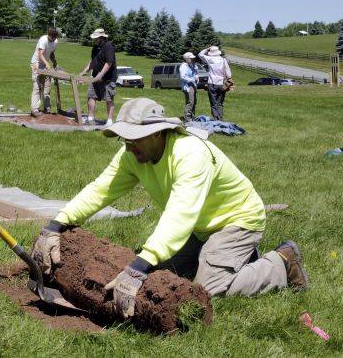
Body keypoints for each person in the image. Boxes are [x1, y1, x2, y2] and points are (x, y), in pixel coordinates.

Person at [32, 98, 308, 319]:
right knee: (160, 274)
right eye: (124, 139)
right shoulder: (132, 154)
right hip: (198, 226)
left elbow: (180, 213)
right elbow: (101, 189)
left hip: (236, 221)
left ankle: (281, 264)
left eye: (135, 138)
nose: (128, 146)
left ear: (159, 133)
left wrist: (140, 265)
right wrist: (56, 224)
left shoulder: (191, 155)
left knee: (208, 289)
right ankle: (236, 260)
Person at [80, 28, 117, 125]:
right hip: (95, 77)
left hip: (108, 78)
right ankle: (91, 118)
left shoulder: (108, 46)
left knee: (109, 98)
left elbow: (109, 62)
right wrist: (84, 71)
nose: (95, 40)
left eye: (96, 38)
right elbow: (93, 61)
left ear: (101, 38)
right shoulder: (95, 48)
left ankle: (109, 121)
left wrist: (101, 74)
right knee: (91, 95)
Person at [30, 28, 59, 116]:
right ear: (48, 35)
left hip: (46, 65)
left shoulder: (55, 41)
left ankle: (47, 108)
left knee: (47, 87)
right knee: (37, 87)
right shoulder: (43, 40)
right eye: (51, 37)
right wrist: (46, 63)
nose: (52, 39)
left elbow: (52, 53)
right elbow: (40, 54)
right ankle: (34, 109)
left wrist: (54, 63)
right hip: (37, 63)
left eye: (54, 38)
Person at [197, 46, 232, 120]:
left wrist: (207, 49)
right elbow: (228, 73)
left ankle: (216, 119)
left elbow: (200, 54)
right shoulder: (223, 60)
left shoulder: (209, 59)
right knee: (220, 103)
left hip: (212, 83)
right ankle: (220, 119)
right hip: (222, 84)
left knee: (213, 103)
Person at [179, 52, 199, 121]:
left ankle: (192, 116)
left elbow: (195, 73)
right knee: (190, 102)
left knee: (194, 101)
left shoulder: (192, 65)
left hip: (193, 85)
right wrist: (192, 80)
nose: (193, 59)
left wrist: (196, 76)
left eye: (193, 58)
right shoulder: (183, 66)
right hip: (187, 86)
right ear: (186, 59)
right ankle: (187, 118)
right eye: (191, 58)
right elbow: (183, 76)